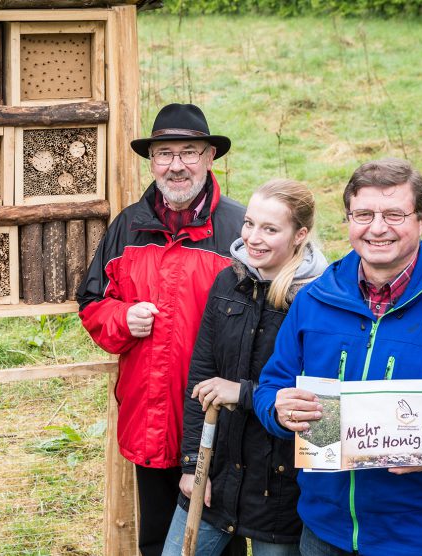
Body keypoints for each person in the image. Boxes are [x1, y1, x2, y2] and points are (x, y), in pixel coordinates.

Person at [254, 158, 422, 555]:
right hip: (322, 531)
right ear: (348, 219)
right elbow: (271, 386)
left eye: (394, 214)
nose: (377, 228)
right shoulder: (314, 299)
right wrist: (277, 409)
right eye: (363, 214)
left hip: (417, 536)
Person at [77, 103, 246, 556]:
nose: (176, 165)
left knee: (222, 536)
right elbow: (92, 304)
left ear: (210, 157)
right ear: (152, 162)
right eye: (165, 153)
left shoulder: (240, 231)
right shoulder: (127, 228)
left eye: (188, 152)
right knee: (156, 537)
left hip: (219, 419)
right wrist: (121, 318)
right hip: (148, 414)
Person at [161, 179, 327, 555]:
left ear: (300, 234)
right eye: (249, 223)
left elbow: (319, 401)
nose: (253, 237)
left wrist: (244, 393)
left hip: (281, 486)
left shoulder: (318, 300)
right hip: (217, 472)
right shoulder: (229, 281)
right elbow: (201, 375)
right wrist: (191, 466)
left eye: (270, 229)